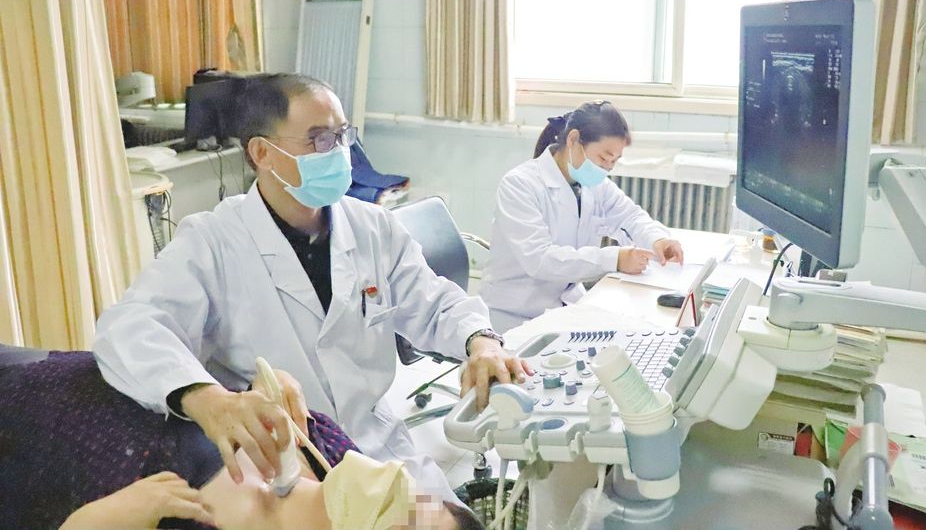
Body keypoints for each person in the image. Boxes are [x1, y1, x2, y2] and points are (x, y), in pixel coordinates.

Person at [93, 73, 531, 502]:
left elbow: (432, 302)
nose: (339, 152)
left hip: (377, 447)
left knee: (444, 520)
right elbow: (131, 326)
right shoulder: (213, 242)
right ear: (262, 152)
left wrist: (481, 340)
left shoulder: (372, 227)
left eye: (342, 136)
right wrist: (209, 401)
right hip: (285, 467)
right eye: (319, 139)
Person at [0, 348, 483, 530]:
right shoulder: (329, 451)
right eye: (421, 501)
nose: (396, 486)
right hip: (51, 376)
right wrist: (246, 391)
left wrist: (93, 524)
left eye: (406, 527)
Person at [480, 100, 685, 332]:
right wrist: (614, 259)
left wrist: (658, 239)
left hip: (567, 306)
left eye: (614, 161)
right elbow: (540, 260)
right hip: (515, 314)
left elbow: (631, 216)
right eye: (603, 158)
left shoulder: (593, 185)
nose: (607, 168)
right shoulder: (520, 185)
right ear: (573, 139)